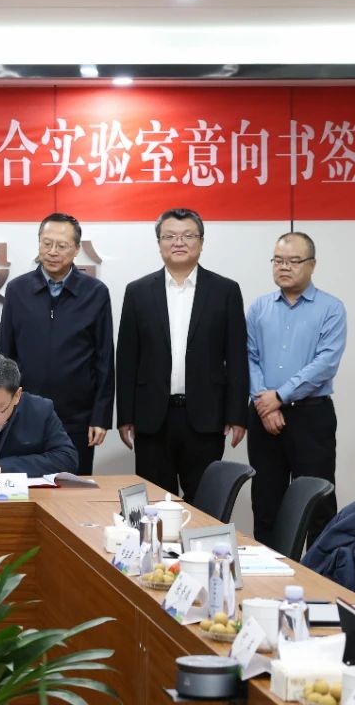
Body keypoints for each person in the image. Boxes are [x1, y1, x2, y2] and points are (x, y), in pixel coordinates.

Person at [115, 208, 248, 502]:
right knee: (153, 504)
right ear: (159, 243)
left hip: (206, 417)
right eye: (170, 236)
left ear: (201, 242)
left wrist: (237, 414)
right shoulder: (137, 291)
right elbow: (126, 359)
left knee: (204, 503)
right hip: (152, 417)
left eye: (188, 235)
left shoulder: (225, 290)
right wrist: (125, 416)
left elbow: (237, 356)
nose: (179, 242)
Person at [247, 232, 347, 546]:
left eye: (293, 261)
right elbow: (248, 357)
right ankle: (270, 571)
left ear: (312, 265)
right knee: (266, 504)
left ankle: (321, 570)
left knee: (317, 504)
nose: (284, 267)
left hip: (310, 416)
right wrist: (264, 403)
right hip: (263, 417)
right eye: (278, 260)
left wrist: (279, 396)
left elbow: (326, 363)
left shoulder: (331, 308)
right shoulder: (259, 307)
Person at [0, 212, 113, 475]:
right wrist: (4, 408)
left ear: (76, 249)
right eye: (46, 243)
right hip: (23, 414)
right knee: (26, 488)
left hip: (77, 417)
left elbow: (104, 359)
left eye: (61, 246)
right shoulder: (17, 290)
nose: (52, 252)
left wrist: (100, 417)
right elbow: (6, 356)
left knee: (73, 487)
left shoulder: (95, 293)